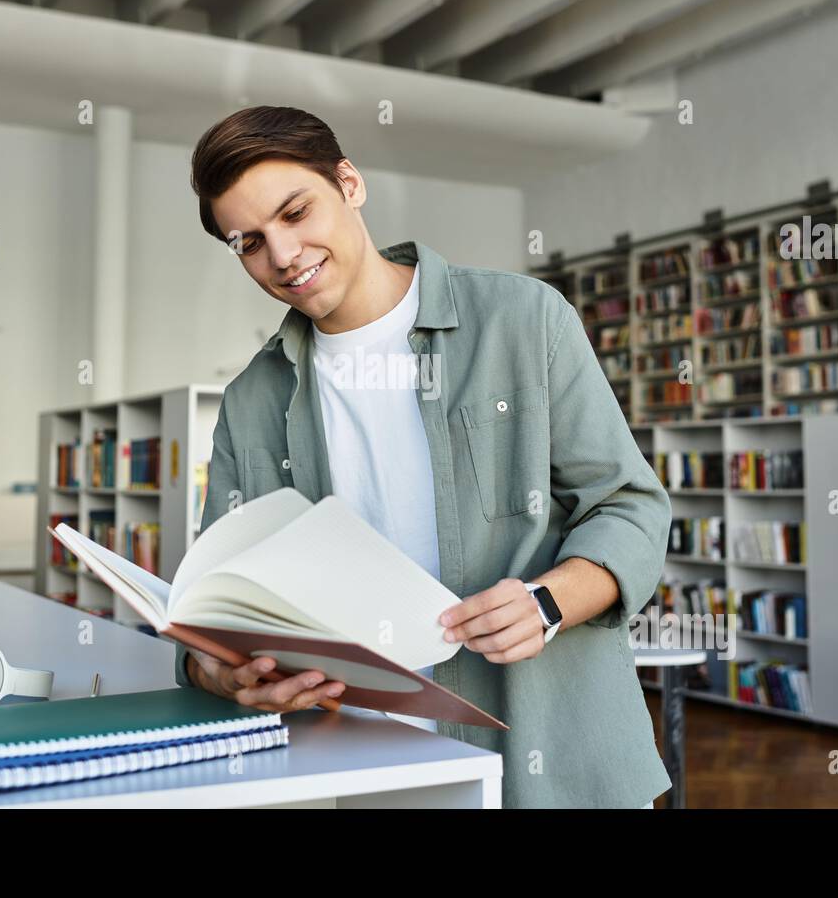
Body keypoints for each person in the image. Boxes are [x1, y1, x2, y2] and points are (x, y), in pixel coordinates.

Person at [173, 105, 672, 808]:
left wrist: (548, 603)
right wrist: (219, 675)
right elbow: (216, 606)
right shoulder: (251, 399)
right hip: (355, 762)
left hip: (554, 758)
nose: (282, 255)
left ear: (349, 183)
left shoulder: (524, 320)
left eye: (296, 212)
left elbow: (630, 507)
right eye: (249, 241)